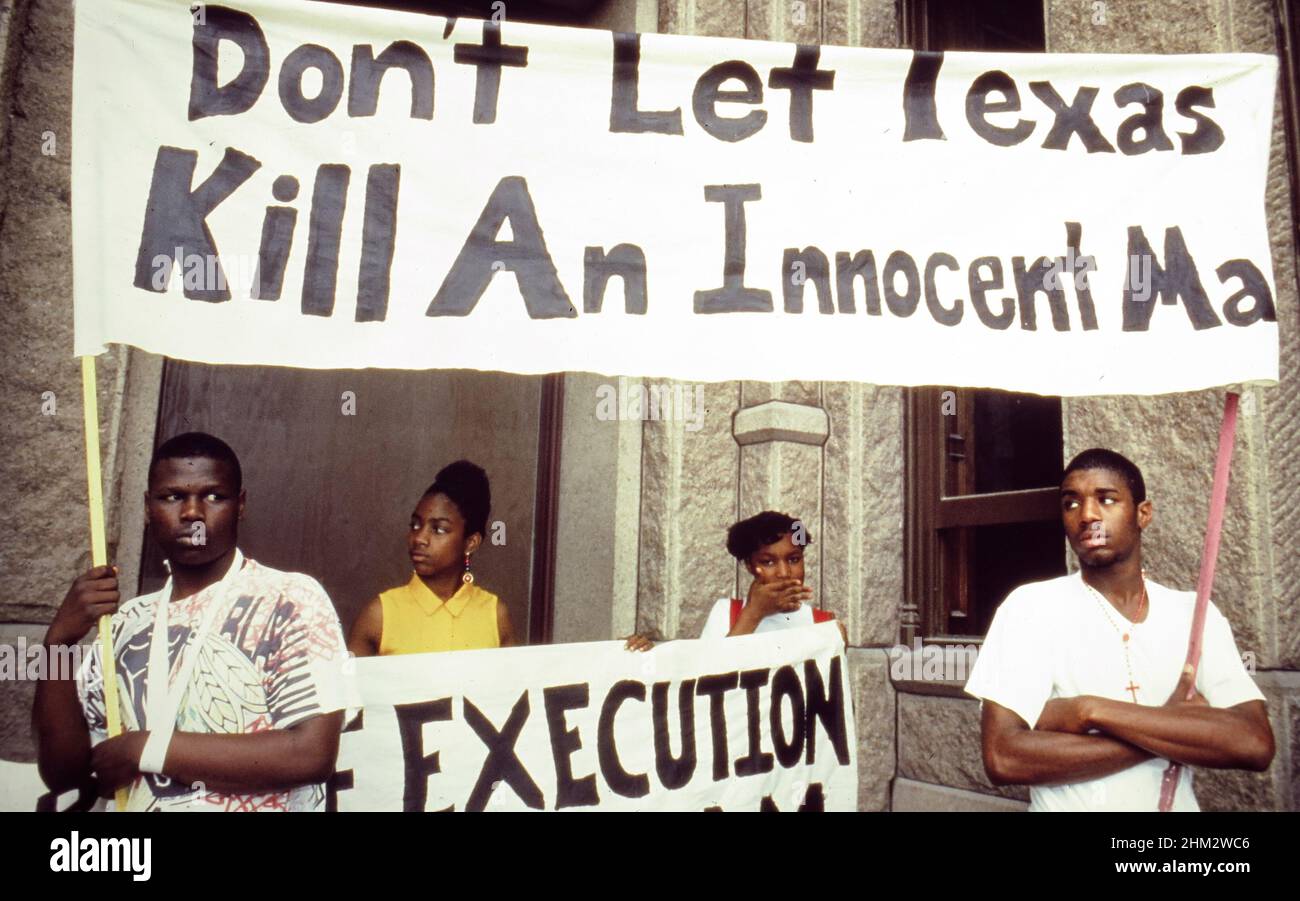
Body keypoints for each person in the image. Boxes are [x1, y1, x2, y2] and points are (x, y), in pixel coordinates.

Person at [33, 432, 351, 811]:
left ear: (241, 505)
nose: (192, 513)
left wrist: (144, 748)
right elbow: (66, 775)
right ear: (148, 507)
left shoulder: (289, 598)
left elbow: (311, 754)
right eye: (173, 497)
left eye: (214, 496)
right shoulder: (125, 624)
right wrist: (58, 645)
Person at [964, 448, 1274, 811]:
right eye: (1071, 503)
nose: (1088, 515)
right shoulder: (1030, 608)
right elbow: (1003, 758)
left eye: (1106, 499)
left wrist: (1089, 711)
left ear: (1143, 513)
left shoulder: (1194, 614)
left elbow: (1254, 744)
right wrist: (1174, 727)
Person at [349, 460, 516, 656]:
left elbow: (514, 686)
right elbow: (344, 686)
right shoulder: (379, 615)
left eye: (438, 529)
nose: (419, 538)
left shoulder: (495, 615)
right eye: (415, 525)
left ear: (471, 542)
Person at [699, 511, 845, 644]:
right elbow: (710, 670)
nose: (784, 573)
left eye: (794, 559)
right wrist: (753, 613)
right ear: (750, 566)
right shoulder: (726, 613)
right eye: (768, 562)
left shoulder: (823, 624)